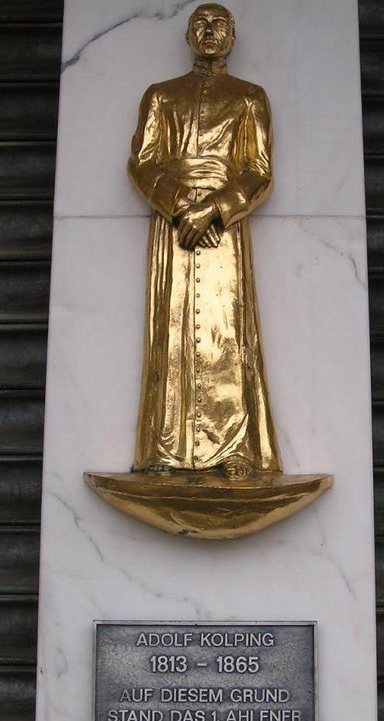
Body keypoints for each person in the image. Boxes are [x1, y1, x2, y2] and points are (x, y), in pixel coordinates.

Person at [127, 3, 281, 480]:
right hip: (173, 223)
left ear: (232, 36)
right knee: (170, 330)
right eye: (201, 23)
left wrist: (214, 208)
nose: (210, 31)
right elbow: (142, 162)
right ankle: (165, 448)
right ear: (188, 35)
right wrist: (179, 205)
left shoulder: (250, 97)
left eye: (219, 24)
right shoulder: (160, 96)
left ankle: (234, 449)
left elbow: (259, 171)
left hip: (223, 225)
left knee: (226, 331)